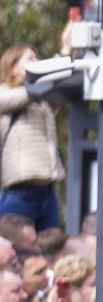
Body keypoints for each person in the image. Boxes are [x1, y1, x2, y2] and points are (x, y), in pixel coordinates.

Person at [0, 45, 64, 235]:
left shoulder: (41, 102)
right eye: (31, 59)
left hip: (48, 190)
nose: (37, 62)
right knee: (14, 249)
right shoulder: (5, 93)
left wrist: (65, 50)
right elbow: (25, 95)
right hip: (20, 192)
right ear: (13, 68)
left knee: (50, 247)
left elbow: (59, 82)